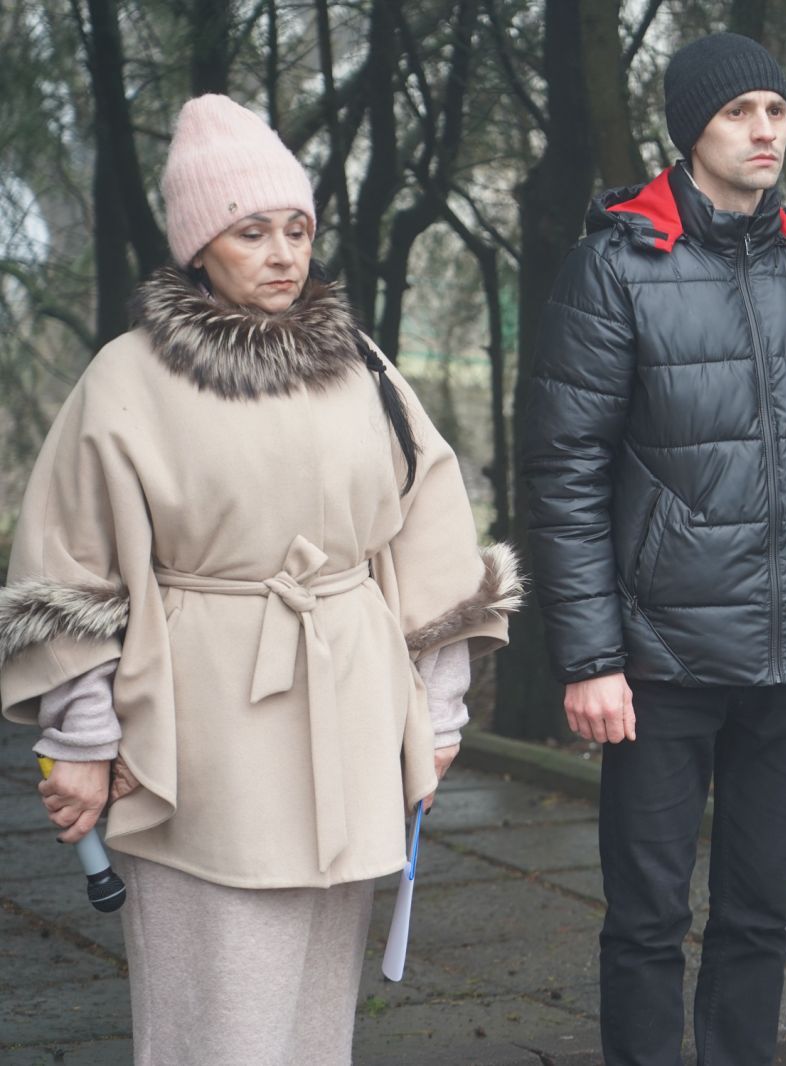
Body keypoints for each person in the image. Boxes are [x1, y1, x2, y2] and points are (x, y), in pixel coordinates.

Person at [0, 95, 522, 1066]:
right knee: (218, 1018)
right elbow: (72, 567)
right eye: (251, 232)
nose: (283, 254)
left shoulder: (361, 367)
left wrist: (440, 708)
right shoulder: (128, 378)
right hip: (204, 720)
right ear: (199, 246)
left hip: (351, 707)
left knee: (317, 1017)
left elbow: (431, 530)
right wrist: (81, 737)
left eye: (297, 230)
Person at [523, 32, 786, 1066]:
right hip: (660, 662)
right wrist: (591, 658)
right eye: (739, 112)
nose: (764, 130)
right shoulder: (617, 266)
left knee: (760, 915)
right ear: (691, 129)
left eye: (775, 111)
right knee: (647, 920)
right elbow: (564, 474)